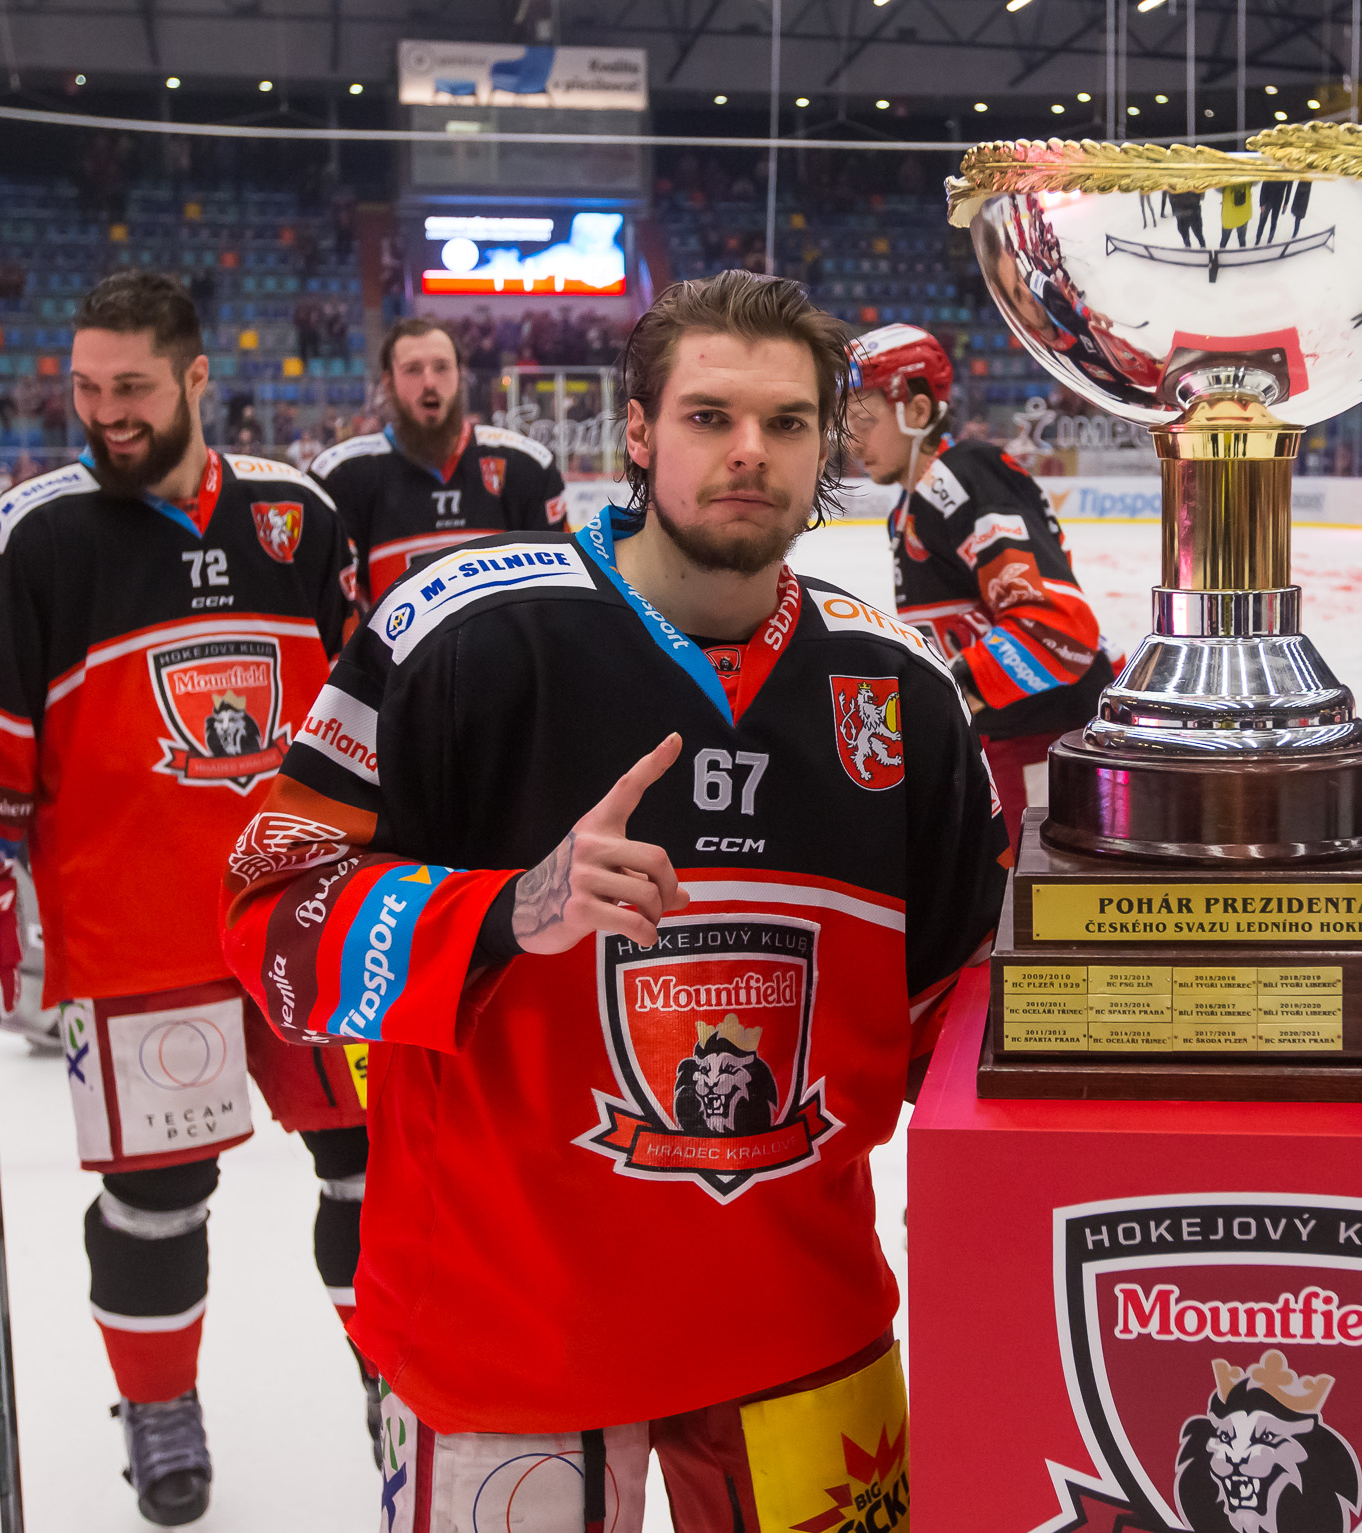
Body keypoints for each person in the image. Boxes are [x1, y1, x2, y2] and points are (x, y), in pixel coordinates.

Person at [218, 270, 1007, 1530]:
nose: (748, 451)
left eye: (787, 422)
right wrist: (500, 912)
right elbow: (273, 919)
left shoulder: (899, 685)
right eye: (707, 417)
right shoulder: (456, 634)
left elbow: (957, 1019)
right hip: (512, 1336)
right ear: (637, 433)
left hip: (802, 1330)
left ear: (824, 447)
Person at [0, 272, 371, 1525]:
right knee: (160, 1194)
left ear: (197, 378)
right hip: (131, 934)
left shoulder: (298, 515)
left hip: (312, 918)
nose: (104, 412)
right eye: (85, 387)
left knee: (374, 1161)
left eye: (133, 388)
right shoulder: (32, 533)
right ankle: (159, 1405)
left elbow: (370, 706)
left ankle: (395, 1373)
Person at [842, 322, 1114, 823]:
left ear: (916, 412)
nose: (850, 439)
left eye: (863, 419)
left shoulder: (960, 477)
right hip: (1000, 737)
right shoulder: (908, 507)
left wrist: (940, 699)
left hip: (1043, 744)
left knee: (1029, 876)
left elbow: (1056, 629)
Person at [311, 316, 567, 609]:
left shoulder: (525, 467)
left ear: (460, 375)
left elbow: (554, 600)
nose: (429, 382)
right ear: (388, 383)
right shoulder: (342, 477)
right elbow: (338, 610)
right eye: (412, 370)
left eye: (442, 367)